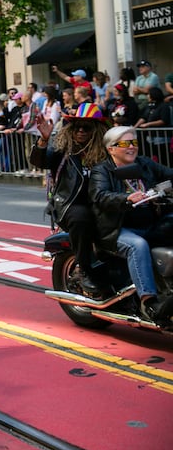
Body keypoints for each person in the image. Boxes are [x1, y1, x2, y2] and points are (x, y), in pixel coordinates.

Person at [89, 126, 173, 321]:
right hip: (116, 228)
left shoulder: (143, 164)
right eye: (125, 143)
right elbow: (100, 196)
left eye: (134, 142)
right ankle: (149, 302)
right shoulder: (102, 170)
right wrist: (127, 199)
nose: (132, 147)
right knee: (138, 246)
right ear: (111, 148)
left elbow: (168, 173)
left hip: (150, 222)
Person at [29, 102, 109, 297]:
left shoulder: (107, 152)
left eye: (86, 127)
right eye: (76, 126)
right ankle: (84, 269)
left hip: (103, 202)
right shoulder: (63, 149)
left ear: (97, 130)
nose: (80, 130)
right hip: (70, 204)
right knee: (82, 218)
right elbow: (40, 161)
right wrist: (43, 140)